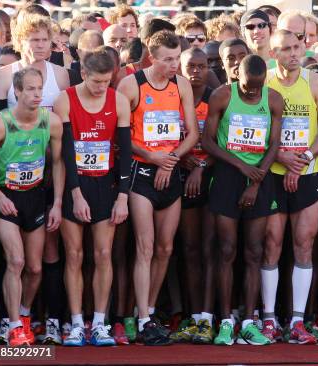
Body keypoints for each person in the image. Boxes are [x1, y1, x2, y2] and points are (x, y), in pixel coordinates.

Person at [117, 30, 199, 346]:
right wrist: (153, 156)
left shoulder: (181, 85)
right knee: (145, 247)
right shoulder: (132, 85)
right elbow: (121, 136)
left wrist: (172, 159)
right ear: (152, 58)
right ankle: (141, 318)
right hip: (141, 174)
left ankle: (149, 310)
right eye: (167, 59)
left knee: (165, 248)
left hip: (170, 171)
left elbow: (192, 133)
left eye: (177, 58)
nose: (174, 64)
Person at [202, 54, 283, 346]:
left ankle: (249, 321)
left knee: (254, 251)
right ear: (237, 76)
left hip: (260, 177)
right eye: (248, 87)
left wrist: (256, 179)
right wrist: (239, 166)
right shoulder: (223, 96)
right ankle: (226, 320)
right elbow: (207, 141)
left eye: (258, 87)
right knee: (226, 250)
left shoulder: (273, 99)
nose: (253, 92)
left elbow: (275, 143)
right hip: (227, 175)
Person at [53, 47, 131, 347]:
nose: (102, 88)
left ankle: (99, 322)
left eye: (107, 82)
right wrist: (74, 194)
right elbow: (65, 154)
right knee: (74, 255)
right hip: (76, 184)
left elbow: (124, 154)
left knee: (103, 254)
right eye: (97, 82)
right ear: (83, 74)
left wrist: (123, 197)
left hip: (106, 185)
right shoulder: (66, 100)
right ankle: (75, 323)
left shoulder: (118, 101)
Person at [260, 29, 318, 344]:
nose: (293, 54)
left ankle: (298, 320)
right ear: (273, 53)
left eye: (296, 47)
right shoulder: (264, 82)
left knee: (304, 243)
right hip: (272, 173)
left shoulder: (315, 82)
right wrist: (280, 156)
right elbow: (253, 128)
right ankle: (268, 319)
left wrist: (302, 158)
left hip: (308, 170)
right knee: (272, 244)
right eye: (285, 49)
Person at [0, 68, 63, 346]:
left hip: (35, 196)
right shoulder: (0, 123)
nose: (36, 94)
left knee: (34, 268)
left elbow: (57, 163)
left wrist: (56, 203)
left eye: (39, 89)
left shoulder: (51, 121)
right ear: (16, 92)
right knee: (15, 261)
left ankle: (24, 315)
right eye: (29, 89)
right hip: (7, 196)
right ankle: (14, 325)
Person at [169, 47, 217, 344]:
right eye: (190, 66)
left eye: (201, 65)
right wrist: (182, 157)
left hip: (211, 174)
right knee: (188, 249)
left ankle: (207, 316)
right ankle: (191, 313)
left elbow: (224, 141)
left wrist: (201, 165)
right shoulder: (173, 95)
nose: (196, 71)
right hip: (180, 171)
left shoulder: (216, 97)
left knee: (208, 248)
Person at [0, 14, 69, 116]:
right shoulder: (3, 74)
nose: (41, 45)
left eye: (45, 40)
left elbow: (65, 121)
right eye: (35, 40)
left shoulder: (61, 74)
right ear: (21, 41)